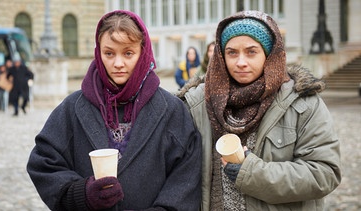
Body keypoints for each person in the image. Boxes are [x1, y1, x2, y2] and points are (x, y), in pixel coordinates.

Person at [27, 10, 202, 211]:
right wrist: (82, 194)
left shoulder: (172, 110)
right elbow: (44, 162)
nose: (118, 64)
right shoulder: (73, 107)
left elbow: (187, 176)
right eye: (109, 53)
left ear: (143, 52)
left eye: (128, 53)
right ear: (98, 53)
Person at [176, 10, 341, 210]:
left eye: (251, 51)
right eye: (232, 52)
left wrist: (252, 173)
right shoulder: (197, 103)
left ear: (269, 54)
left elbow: (324, 173)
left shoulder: (302, 103)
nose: (241, 62)